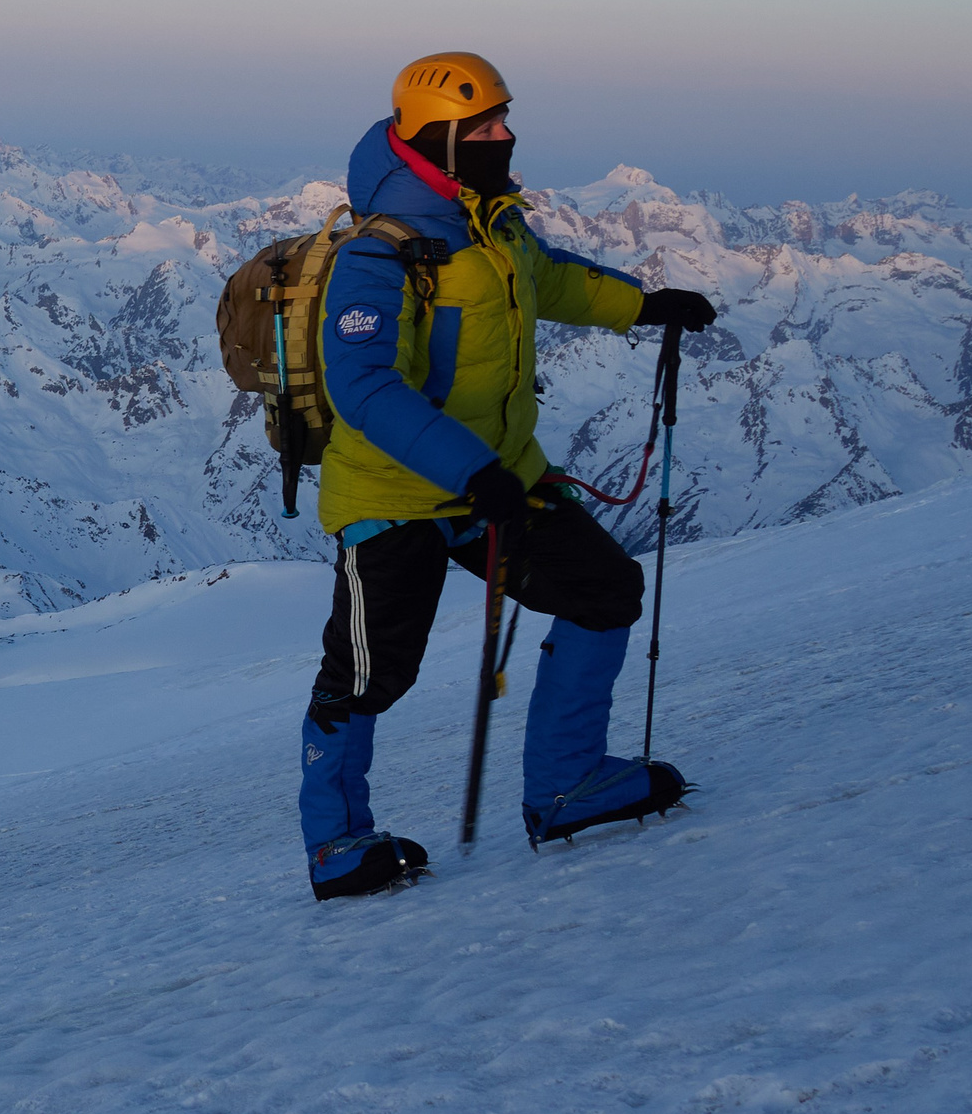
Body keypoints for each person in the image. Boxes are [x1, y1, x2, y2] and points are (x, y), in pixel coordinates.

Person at [298, 51, 718, 899]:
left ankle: (568, 786)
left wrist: (642, 305)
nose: (504, 134)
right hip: (395, 495)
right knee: (367, 676)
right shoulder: (379, 254)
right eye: (484, 125)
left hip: (498, 477)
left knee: (603, 588)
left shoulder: (491, 223)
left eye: (503, 118)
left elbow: (548, 279)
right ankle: (337, 846)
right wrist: (470, 468)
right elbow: (363, 385)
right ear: (439, 138)